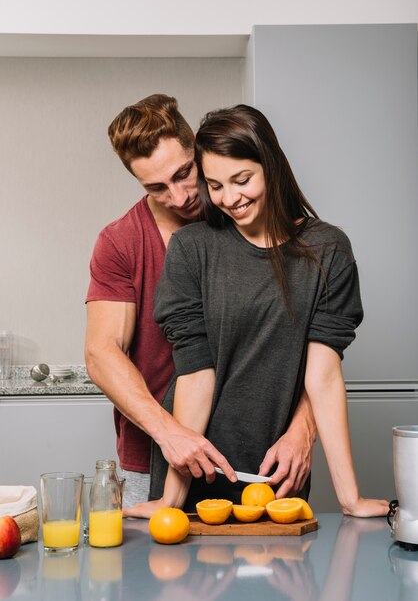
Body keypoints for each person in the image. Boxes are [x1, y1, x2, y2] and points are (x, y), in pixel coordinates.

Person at [126, 103, 388, 517]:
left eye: (242, 179)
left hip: (277, 472)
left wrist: (349, 498)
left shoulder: (328, 249)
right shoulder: (192, 248)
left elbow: (322, 375)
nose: (230, 198)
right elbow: (195, 372)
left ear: (271, 165)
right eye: (214, 185)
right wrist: (170, 498)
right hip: (200, 468)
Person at [85, 95, 317, 508]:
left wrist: (303, 427)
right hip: (155, 457)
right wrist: (171, 434)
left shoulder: (257, 221)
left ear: (199, 148)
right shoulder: (120, 242)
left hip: (260, 459)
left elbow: (311, 341)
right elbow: (101, 354)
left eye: (184, 173)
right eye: (157, 187)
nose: (179, 196)